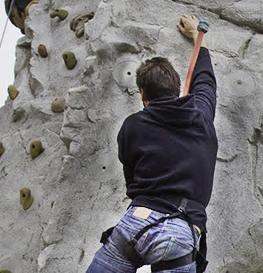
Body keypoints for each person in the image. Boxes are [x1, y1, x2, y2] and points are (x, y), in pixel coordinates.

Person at [87, 14, 216, 273]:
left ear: (143, 94)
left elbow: (132, 181)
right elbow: (206, 81)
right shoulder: (201, 116)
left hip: (137, 220)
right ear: (177, 87)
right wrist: (197, 38)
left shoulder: (133, 126)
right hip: (180, 228)